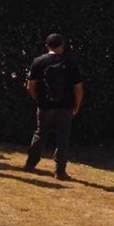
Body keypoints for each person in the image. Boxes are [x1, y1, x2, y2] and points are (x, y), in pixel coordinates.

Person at [24, 34, 84, 180]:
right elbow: (78, 88)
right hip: (65, 106)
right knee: (62, 137)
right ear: (62, 45)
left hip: (44, 105)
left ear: (47, 46)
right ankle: (60, 170)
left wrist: (37, 99)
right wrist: (77, 105)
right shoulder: (70, 63)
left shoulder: (38, 61)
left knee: (40, 133)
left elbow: (30, 86)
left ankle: (30, 164)